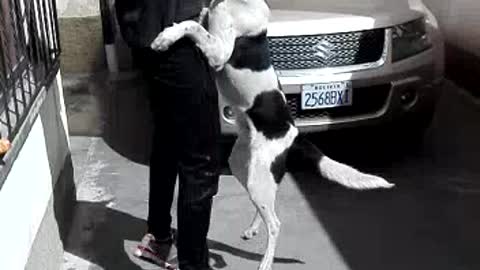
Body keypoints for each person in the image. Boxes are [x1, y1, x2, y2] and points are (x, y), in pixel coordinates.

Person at [115, 1, 220, 269]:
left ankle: (159, 238)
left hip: (147, 36)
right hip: (176, 40)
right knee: (200, 163)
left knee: (168, 143)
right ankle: (192, 264)